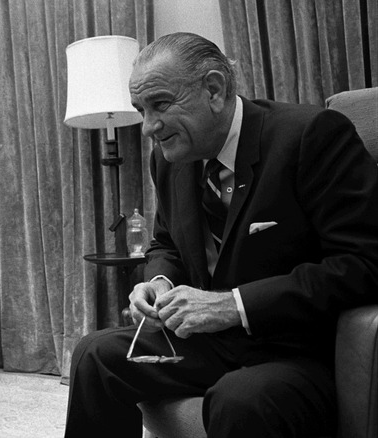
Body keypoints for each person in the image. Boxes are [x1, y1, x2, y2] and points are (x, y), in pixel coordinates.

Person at [65, 32, 378, 438]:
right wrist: (158, 280)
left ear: (213, 89)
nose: (148, 127)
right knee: (95, 354)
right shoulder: (169, 158)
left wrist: (234, 305)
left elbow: (364, 263)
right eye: (141, 109)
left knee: (240, 399)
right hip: (210, 342)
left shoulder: (310, 136)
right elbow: (166, 243)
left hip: (295, 349)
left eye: (159, 104)